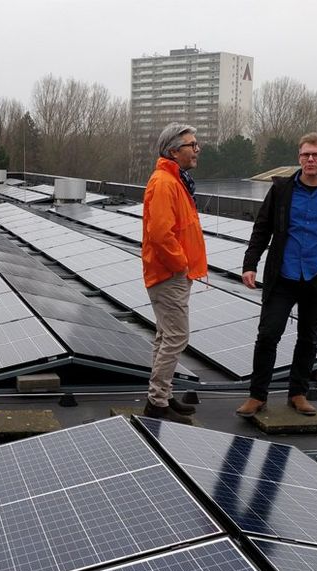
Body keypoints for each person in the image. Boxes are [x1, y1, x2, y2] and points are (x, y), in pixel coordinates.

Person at [237, 132, 317, 417]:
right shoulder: (282, 190)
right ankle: (257, 396)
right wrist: (250, 263)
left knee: (308, 338)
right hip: (283, 275)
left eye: (316, 154)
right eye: (305, 154)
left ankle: (298, 393)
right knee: (268, 335)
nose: (310, 159)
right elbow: (262, 227)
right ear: (299, 157)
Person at [141, 123, 208, 422]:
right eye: (191, 145)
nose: (196, 150)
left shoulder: (176, 180)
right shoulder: (165, 183)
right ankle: (157, 403)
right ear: (173, 151)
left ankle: (162, 396)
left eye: (196, 144)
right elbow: (160, 233)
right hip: (169, 274)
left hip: (174, 273)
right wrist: (180, 264)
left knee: (165, 335)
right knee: (177, 337)